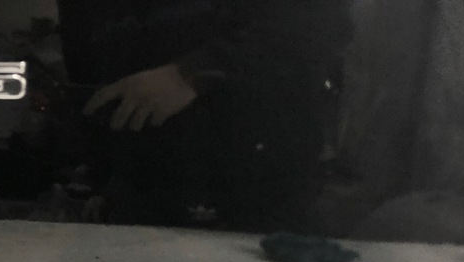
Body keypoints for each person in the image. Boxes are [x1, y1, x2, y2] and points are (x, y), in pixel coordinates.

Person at [57, 0, 353, 232]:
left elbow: (320, 26)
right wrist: (102, 177)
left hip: (259, 187)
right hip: (136, 190)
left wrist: (191, 74)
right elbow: (91, 73)